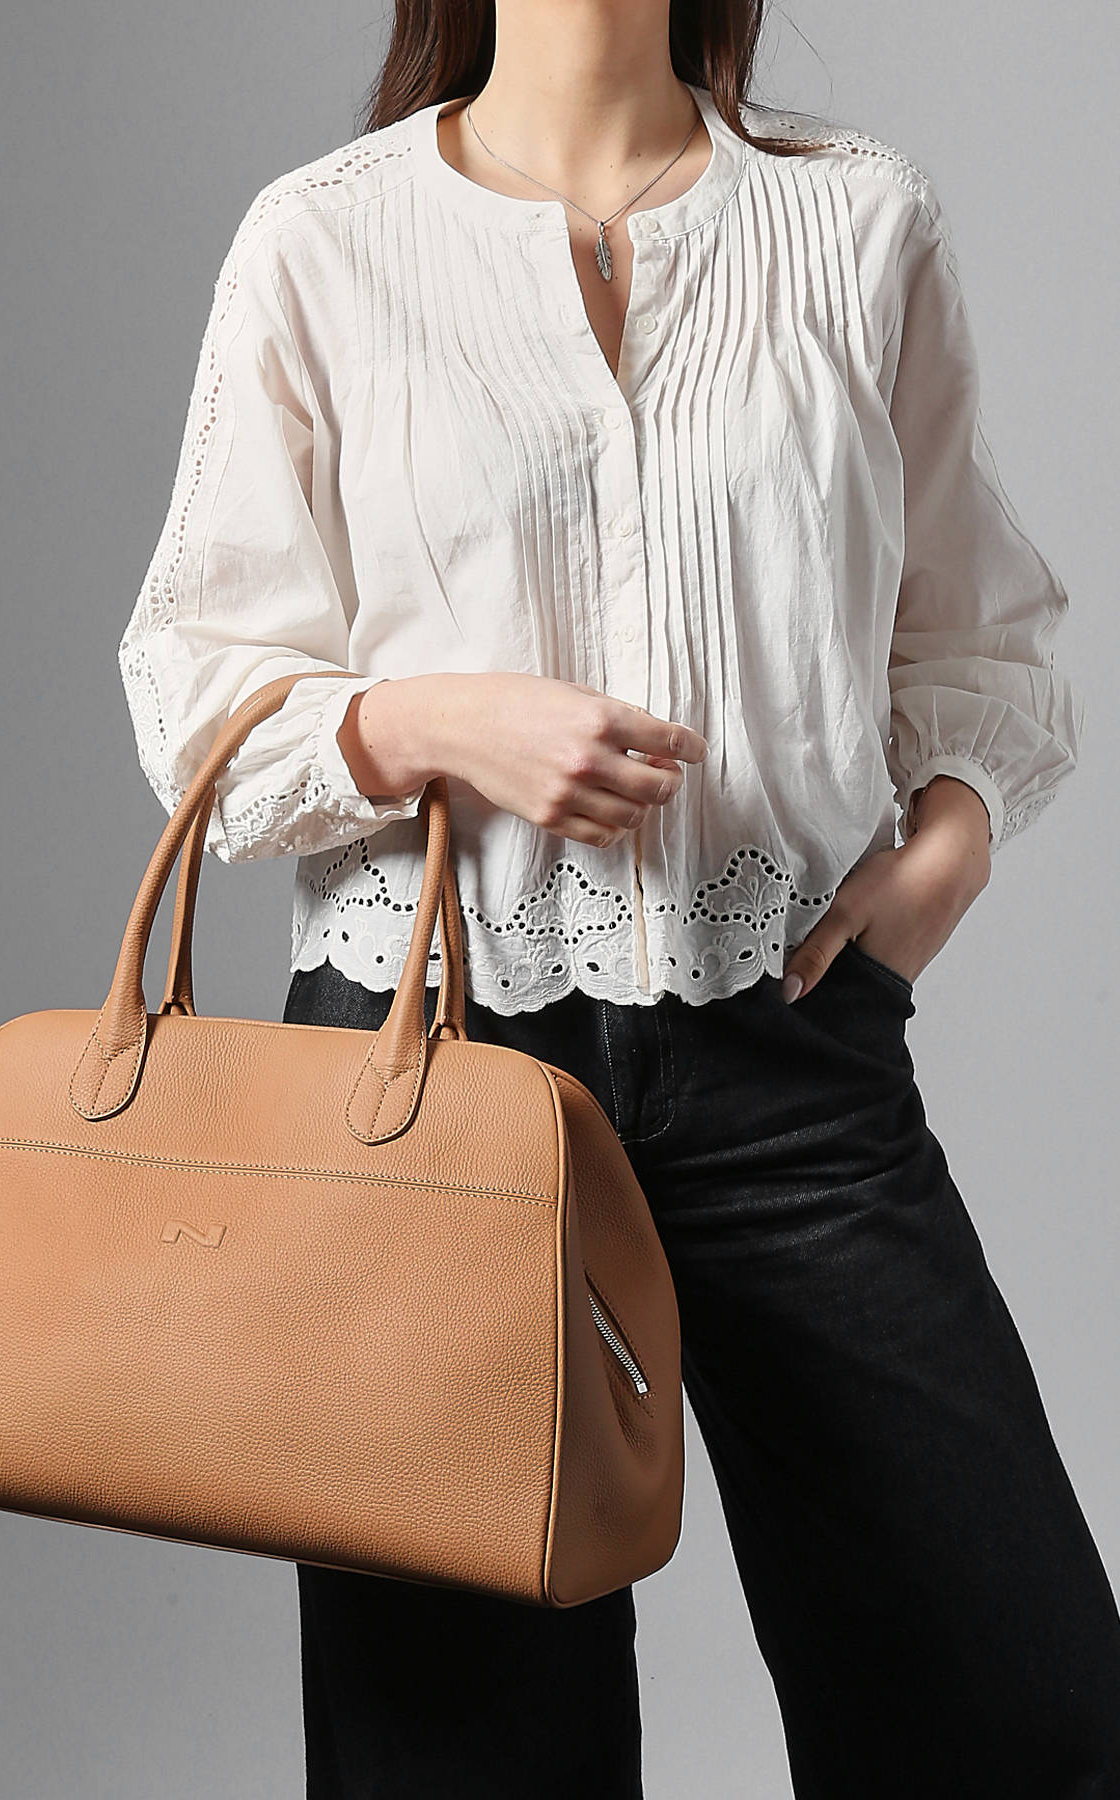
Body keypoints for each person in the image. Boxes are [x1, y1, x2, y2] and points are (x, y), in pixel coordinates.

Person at [117, 3, 1120, 1795]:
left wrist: (942, 855)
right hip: (429, 1073)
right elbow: (195, 698)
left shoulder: (857, 220)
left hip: (789, 1057)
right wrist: (438, 723)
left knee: (1016, 1713)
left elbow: (980, 630)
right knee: (466, 1761)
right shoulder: (321, 240)